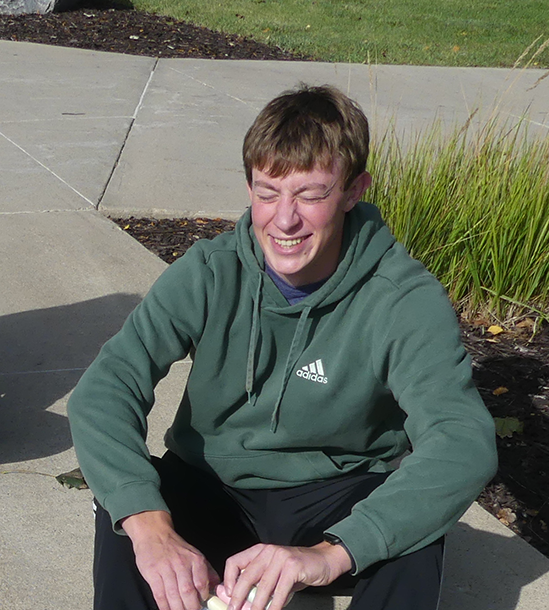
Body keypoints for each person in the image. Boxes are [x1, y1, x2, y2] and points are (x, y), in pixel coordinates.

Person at [67, 84, 496, 610]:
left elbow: (462, 440)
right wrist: (150, 527)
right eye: (268, 192)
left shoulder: (402, 298)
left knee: (413, 536)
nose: (284, 219)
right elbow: (105, 390)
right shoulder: (209, 273)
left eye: (311, 194)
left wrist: (334, 553)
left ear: (354, 189)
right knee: (127, 511)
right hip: (211, 484)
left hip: (339, 492)